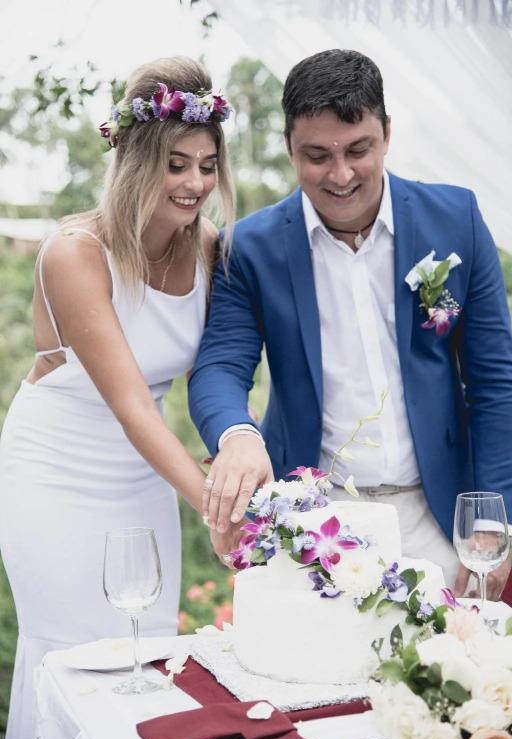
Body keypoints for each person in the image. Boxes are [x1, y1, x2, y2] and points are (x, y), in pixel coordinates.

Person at [189, 49, 512, 600]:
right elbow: (219, 365)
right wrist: (237, 436)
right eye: (317, 155)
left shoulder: (455, 219)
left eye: (358, 150)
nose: (340, 175)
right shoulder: (249, 247)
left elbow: (495, 381)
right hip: (318, 523)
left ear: (386, 133)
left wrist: (492, 515)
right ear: (289, 146)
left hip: (442, 516)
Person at [0, 56, 235, 739]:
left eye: (207, 166)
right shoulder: (75, 253)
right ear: (134, 161)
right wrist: (215, 505)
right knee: (71, 656)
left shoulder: (210, 249)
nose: (194, 183)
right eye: (175, 165)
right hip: (58, 471)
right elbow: (131, 404)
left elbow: (212, 375)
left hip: (142, 476)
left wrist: (234, 455)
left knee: (144, 651)